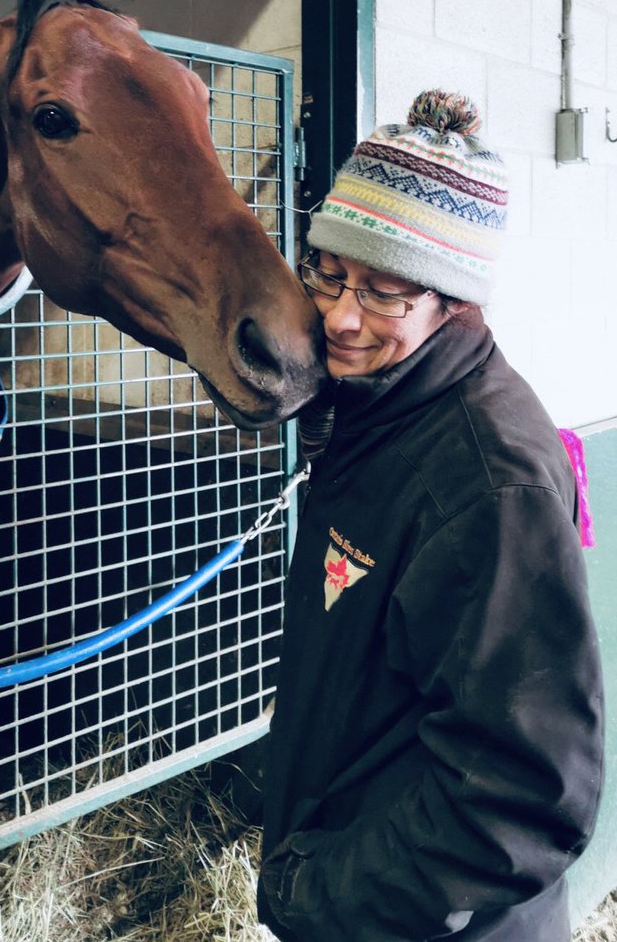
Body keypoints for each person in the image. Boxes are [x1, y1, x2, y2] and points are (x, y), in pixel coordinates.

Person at [257, 90, 604, 942]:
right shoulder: (378, 411)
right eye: (329, 273)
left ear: (452, 300)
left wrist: (316, 895)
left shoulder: (488, 486)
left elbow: (525, 794)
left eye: (384, 294)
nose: (341, 316)